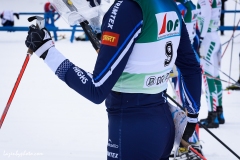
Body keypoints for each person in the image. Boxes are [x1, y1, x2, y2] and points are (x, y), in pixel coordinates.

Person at [25, 0, 202, 159]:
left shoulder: (127, 8)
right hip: (162, 125)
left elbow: (96, 89)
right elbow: (190, 67)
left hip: (131, 131)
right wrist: (191, 119)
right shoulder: (169, 5)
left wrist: (46, 51)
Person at [172, 1, 203, 159]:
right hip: (187, 57)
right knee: (187, 104)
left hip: (183, 62)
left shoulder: (181, 6)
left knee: (186, 104)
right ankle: (190, 142)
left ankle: (190, 144)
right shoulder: (189, 4)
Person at [197, 0, 225, 128]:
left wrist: (200, 38)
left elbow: (206, 13)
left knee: (208, 76)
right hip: (214, 35)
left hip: (208, 37)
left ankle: (212, 116)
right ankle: (219, 113)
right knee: (214, 75)